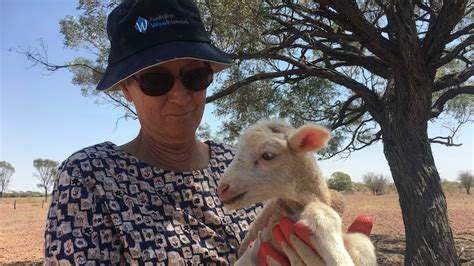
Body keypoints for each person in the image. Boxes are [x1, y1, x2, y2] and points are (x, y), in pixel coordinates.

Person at [44, 0, 372, 265]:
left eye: (194, 76)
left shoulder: (237, 162)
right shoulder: (90, 177)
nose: (181, 95)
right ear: (126, 89)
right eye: (155, 80)